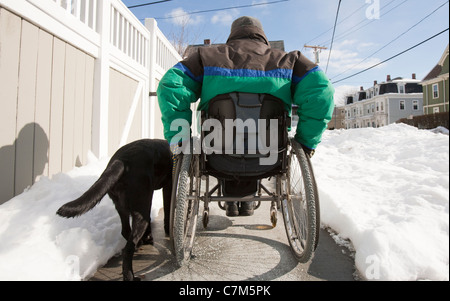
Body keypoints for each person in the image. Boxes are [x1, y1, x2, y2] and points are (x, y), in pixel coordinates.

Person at [157, 16, 334, 216]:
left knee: (225, 134)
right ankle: (247, 200)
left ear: (232, 35)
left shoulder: (206, 57)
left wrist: (180, 141)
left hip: (217, 155)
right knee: (260, 135)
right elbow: (322, 93)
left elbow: (170, 86)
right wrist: (306, 141)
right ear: (262, 35)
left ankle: (233, 201)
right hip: (269, 156)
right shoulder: (289, 62)